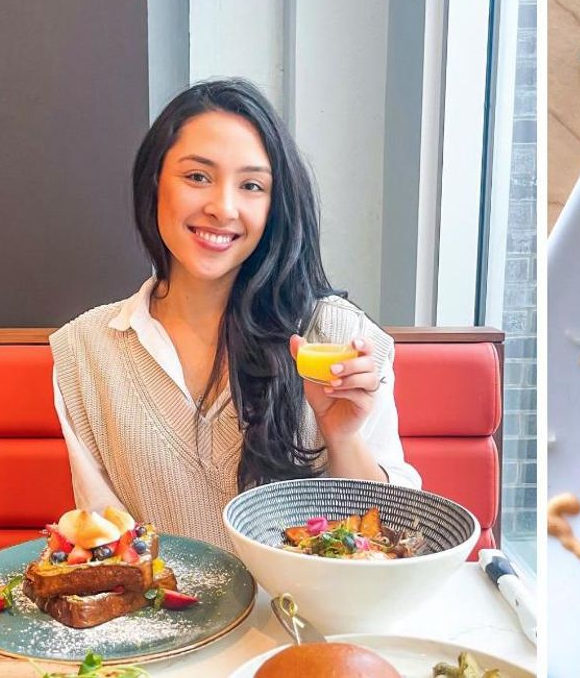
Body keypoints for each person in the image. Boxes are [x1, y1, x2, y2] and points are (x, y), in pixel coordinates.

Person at [49, 78, 420, 549]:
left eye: (251, 185)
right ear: (154, 182)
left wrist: (342, 437)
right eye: (197, 176)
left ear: (274, 205)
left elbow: (396, 543)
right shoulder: (86, 352)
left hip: (310, 620)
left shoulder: (337, 336)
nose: (222, 207)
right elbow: (107, 545)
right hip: (171, 619)